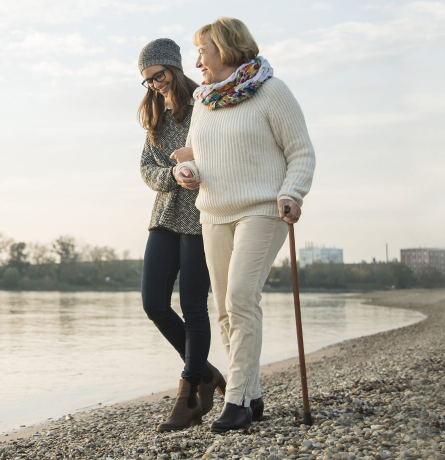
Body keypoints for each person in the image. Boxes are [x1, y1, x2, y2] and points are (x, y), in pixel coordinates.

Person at [173, 16, 316, 432]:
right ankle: (251, 394)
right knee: (222, 310)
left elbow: (301, 152)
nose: (196, 61)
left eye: (202, 50)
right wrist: (188, 170)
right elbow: (202, 154)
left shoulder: (271, 91)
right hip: (213, 212)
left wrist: (292, 193)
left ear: (226, 47)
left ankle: (234, 403)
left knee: (239, 298)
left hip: (262, 209)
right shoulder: (204, 100)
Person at [133, 38, 224, 432]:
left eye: (159, 75)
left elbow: (222, 150)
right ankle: (206, 374)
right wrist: (171, 174)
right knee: (153, 303)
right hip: (165, 216)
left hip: (201, 217)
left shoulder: (206, 104)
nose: (156, 84)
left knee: (193, 307)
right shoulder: (155, 116)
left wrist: (195, 165)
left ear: (175, 66)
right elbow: (146, 170)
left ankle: (188, 394)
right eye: (148, 81)